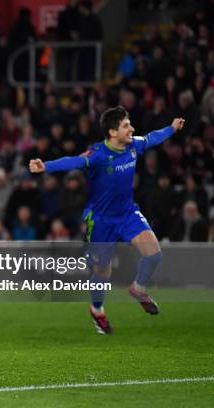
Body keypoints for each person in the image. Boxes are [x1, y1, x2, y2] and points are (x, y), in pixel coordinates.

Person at [29, 105, 184, 334]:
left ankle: (138, 289)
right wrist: (46, 166)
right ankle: (97, 309)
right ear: (112, 132)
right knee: (103, 272)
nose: (131, 128)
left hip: (128, 214)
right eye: (125, 125)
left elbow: (152, 138)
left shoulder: (133, 145)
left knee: (154, 255)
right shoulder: (98, 154)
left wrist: (171, 128)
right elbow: (74, 161)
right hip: (101, 221)